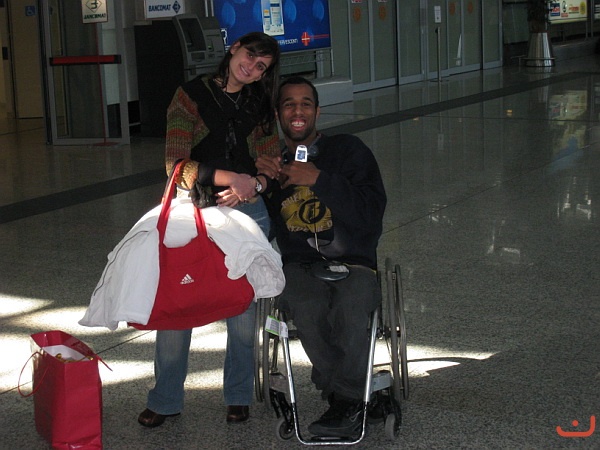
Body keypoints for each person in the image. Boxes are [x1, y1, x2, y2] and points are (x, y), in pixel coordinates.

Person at [137, 32, 281, 428]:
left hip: (249, 212)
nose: (251, 67)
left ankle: (238, 394)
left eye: (261, 66)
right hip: (195, 210)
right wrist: (233, 178)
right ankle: (165, 399)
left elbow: (271, 162)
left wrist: (255, 185)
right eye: (249, 55)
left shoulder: (259, 104)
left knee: (242, 308)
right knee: (179, 303)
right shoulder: (190, 96)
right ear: (234, 49)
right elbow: (176, 166)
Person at [256, 76, 387, 438]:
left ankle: (344, 398)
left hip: (354, 261)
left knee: (350, 307)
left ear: (317, 111)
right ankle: (352, 398)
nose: (297, 111)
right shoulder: (272, 165)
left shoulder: (348, 150)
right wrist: (259, 184)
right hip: (300, 264)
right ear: (278, 114)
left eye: (305, 103)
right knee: (306, 306)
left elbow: (370, 213)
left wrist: (318, 179)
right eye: (288, 104)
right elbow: (260, 227)